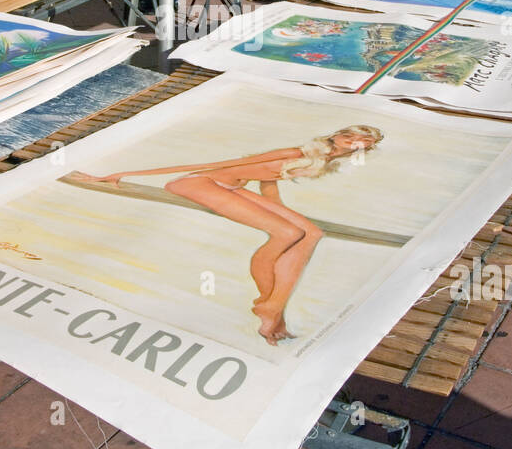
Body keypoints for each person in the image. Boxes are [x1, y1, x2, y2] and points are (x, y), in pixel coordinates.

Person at [72, 126, 384, 345]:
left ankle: (272, 307)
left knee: (311, 232)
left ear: (364, 150)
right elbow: (217, 165)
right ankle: (271, 308)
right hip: (198, 182)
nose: (352, 140)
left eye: (361, 141)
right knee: (287, 232)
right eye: (349, 134)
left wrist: (277, 207)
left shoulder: (323, 160)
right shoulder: (296, 151)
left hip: (231, 188)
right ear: (336, 135)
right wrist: (121, 174)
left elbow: (269, 180)